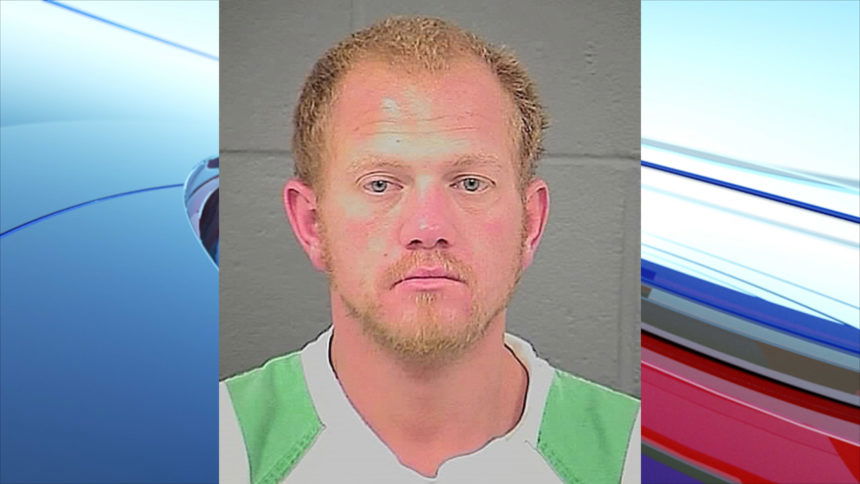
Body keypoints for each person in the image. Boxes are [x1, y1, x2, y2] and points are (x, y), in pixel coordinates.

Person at [220, 16, 640, 484]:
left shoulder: (632, 457)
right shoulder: (212, 443)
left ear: (531, 223)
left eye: (470, 183)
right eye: (380, 184)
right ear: (311, 224)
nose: (427, 227)